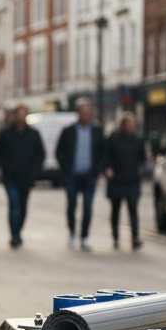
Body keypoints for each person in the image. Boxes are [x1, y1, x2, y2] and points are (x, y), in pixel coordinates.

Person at [55, 97, 105, 251]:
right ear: (78, 113)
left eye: (88, 111)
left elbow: (103, 152)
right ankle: (72, 233)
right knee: (71, 205)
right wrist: (66, 167)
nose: (86, 114)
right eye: (83, 112)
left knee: (88, 207)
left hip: (89, 175)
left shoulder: (97, 131)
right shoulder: (68, 131)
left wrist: (99, 170)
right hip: (72, 175)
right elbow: (59, 151)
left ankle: (84, 237)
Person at [0, 103, 44, 248]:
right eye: (19, 115)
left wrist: (35, 171)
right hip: (10, 176)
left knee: (23, 206)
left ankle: (18, 231)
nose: (21, 118)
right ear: (15, 116)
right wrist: (1, 168)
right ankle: (14, 234)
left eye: (24, 114)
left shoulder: (34, 134)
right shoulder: (6, 133)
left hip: (27, 177)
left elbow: (40, 154)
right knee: (13, 204)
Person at [104, 111, 148, 250]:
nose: (131, 127)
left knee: (133, 210)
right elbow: (107, 157)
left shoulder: (138, 141)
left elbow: (142, 158)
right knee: (116, 210)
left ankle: (135, 237)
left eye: (133, 124)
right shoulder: (114, 139)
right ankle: (116, 236)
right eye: (128, 124)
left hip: (132, 180)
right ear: (123, 125)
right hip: (117, 180)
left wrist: (141, 170)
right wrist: (108, 169)